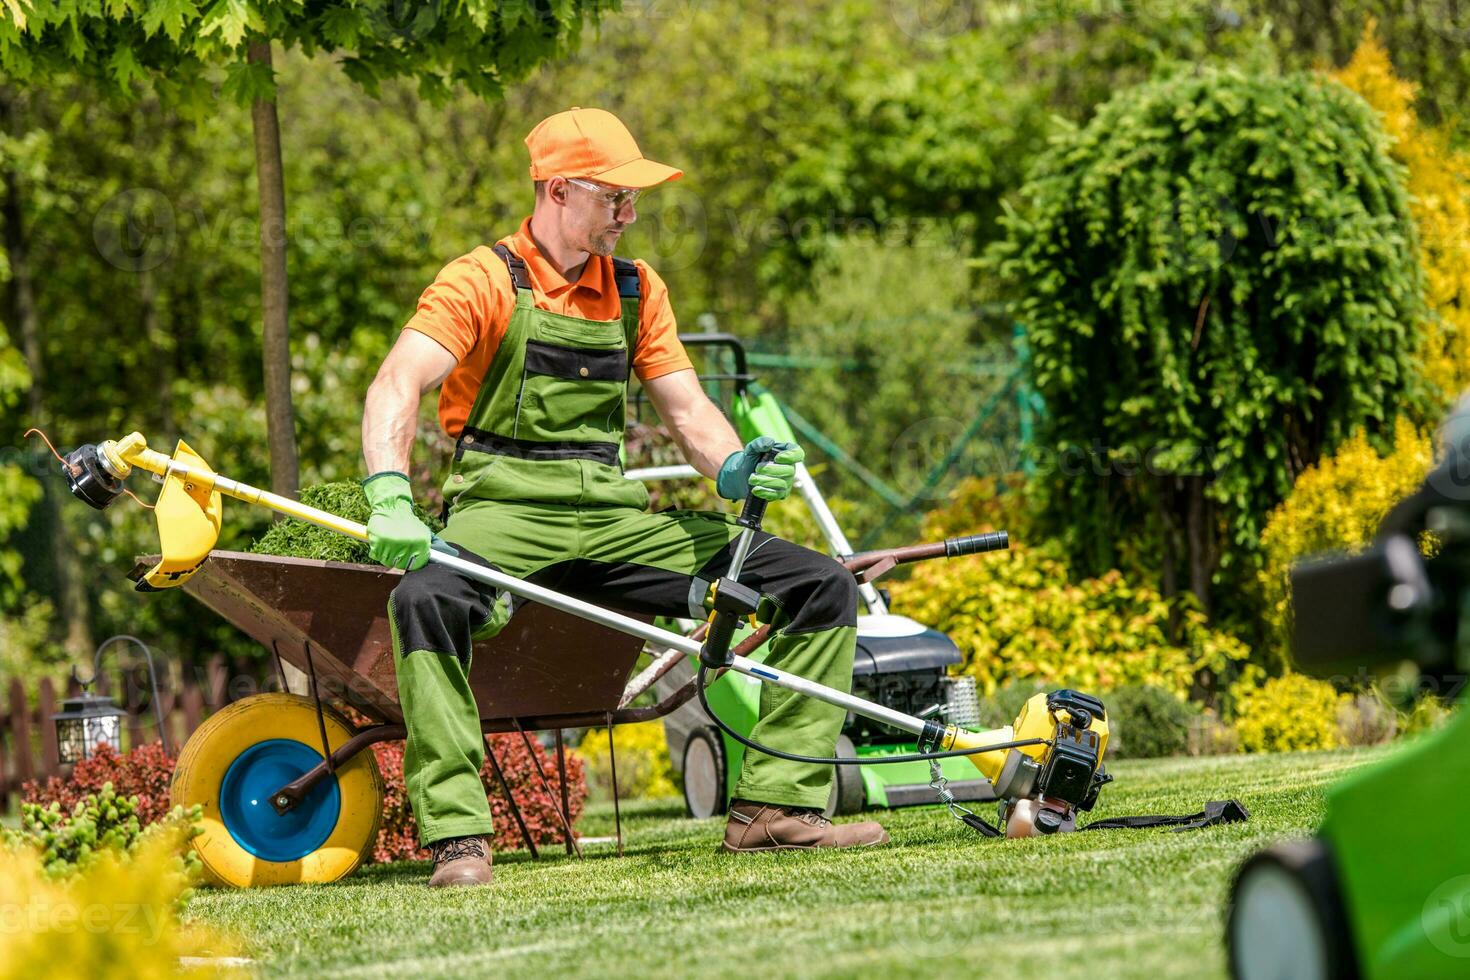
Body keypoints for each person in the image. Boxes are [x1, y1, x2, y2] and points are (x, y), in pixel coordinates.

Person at [361, 107, 887, 888]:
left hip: (613, 523)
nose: (630, 215)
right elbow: (395, 383)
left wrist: (736, 465)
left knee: (820, 584)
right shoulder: (479, 281)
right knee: (424, 599)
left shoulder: (638, 289)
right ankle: (461, 838)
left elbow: (687, 411)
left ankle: (773, 810)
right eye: (616, 198)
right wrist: (389, 494)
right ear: (561, 190)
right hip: (501, 517)